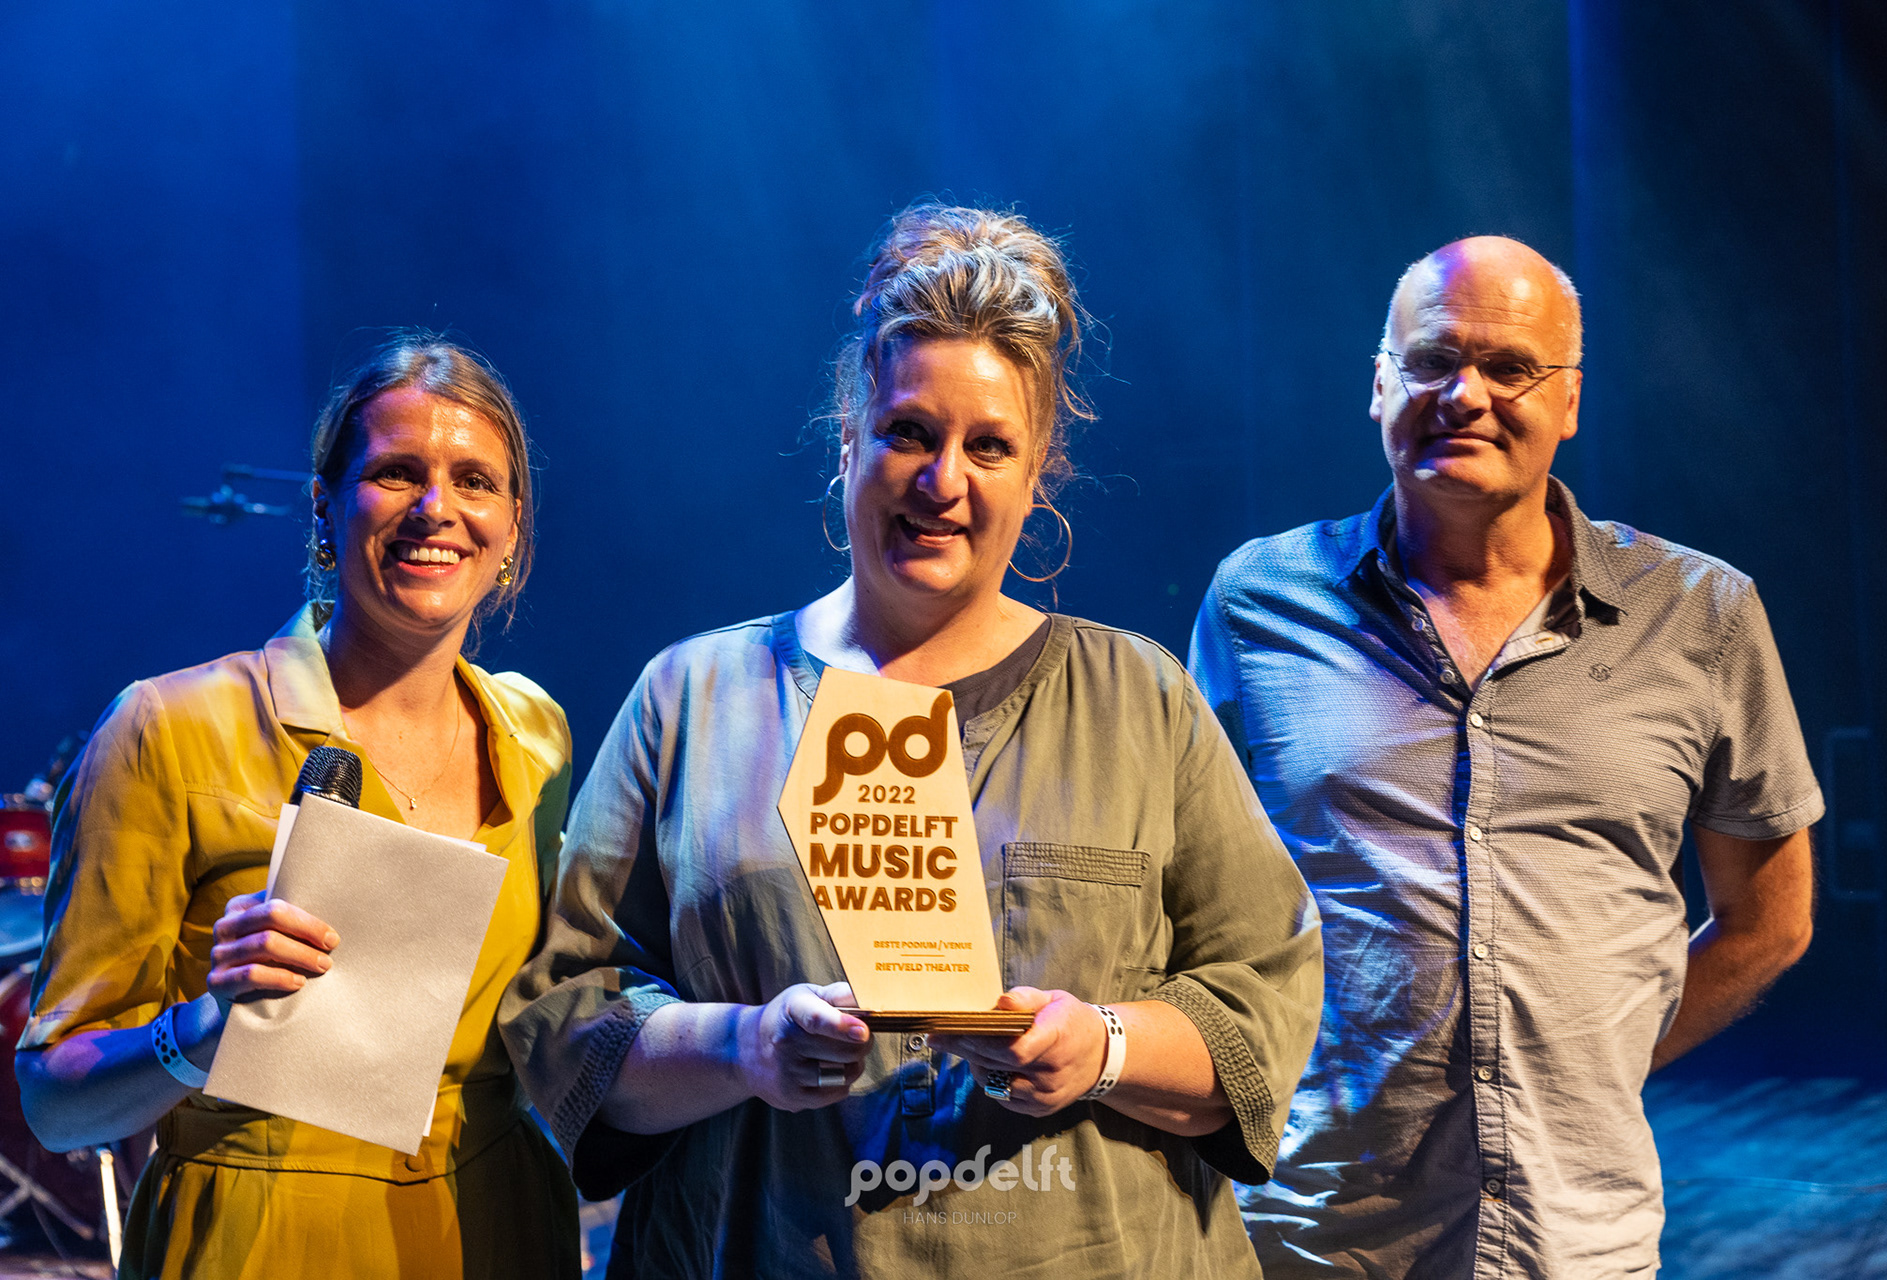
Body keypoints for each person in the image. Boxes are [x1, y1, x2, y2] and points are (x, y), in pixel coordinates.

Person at [501, 204, 1323, 1278]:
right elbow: (571, 1020)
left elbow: (1265, 1003)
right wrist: (746, 1046)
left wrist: (1102, 1046)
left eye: (989, 446)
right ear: (848, 440)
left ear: (1038, 473)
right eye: (908, 433)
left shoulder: (1140, 699)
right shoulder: (691, 699)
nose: (944, 481)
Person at [1189, 236, 1822, 1278]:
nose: (1466, 394)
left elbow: (1770, 920)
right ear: (1380, 385)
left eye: (1510, 367)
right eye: (1433, 361)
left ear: (1569, 400)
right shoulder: (1257, 601)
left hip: (1580, 1242)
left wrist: (1597, 1057)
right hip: (1315, 1233)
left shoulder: (1701, 614)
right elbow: (1189, 902)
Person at [17, 337, 580, 1279]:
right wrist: (205, 1032)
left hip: (499, 1228)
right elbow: (53, 1102)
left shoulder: (536, 735)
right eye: (397, 473)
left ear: (512, 527)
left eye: (474, 481)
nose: (436, 508)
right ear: (325, 504)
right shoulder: (167, 730)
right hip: (266, 1238)